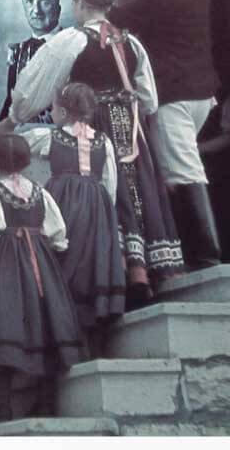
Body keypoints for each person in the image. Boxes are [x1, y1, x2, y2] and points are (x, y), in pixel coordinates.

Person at [0, 0, 184, 309]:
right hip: (130, 129)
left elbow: (31, 92)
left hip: (93, 125)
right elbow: (150, 100)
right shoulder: (131, 43)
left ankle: (120, 272)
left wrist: (12, 119)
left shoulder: (70, 41)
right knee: (136, 189)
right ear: (108, 6)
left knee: (105, 194)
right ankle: (145, 272)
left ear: (78, 2)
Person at [108, 0, 222, 271]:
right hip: (200, 94)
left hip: (175, 99)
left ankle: (207, 259)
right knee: (180, 169)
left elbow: (116, 15)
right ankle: (194, 255)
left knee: (184, 173)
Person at [0, 133, 87, 422]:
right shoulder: (41, 193)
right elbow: (58, 236)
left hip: (5, 269)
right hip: (40, 262)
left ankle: (4, 408)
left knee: (6, 321)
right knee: (41, 319)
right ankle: (45, 403)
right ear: (27, 161)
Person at [20, 83, 137, 357]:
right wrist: (104, 210)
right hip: (96, 206)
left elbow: (18, 145)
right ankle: (86, 339)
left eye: (54, 108)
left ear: (62, 110)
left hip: (62, 204)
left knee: (64, 257)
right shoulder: (104, 141)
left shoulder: (51, 137)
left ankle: (64, 333)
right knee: (88, 262)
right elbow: (110, 181)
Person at [0, 0, 63, 123]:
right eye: (29, 2)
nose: (36, 11)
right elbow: (11, 100)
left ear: (58, 9)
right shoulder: (18, 50)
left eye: (45, 3)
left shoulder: (73, 44)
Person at [197, 91, 230, 263]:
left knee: (227, 214)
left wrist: (197, 149)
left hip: (222, 168)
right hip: (206, 169)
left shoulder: (227, 101)